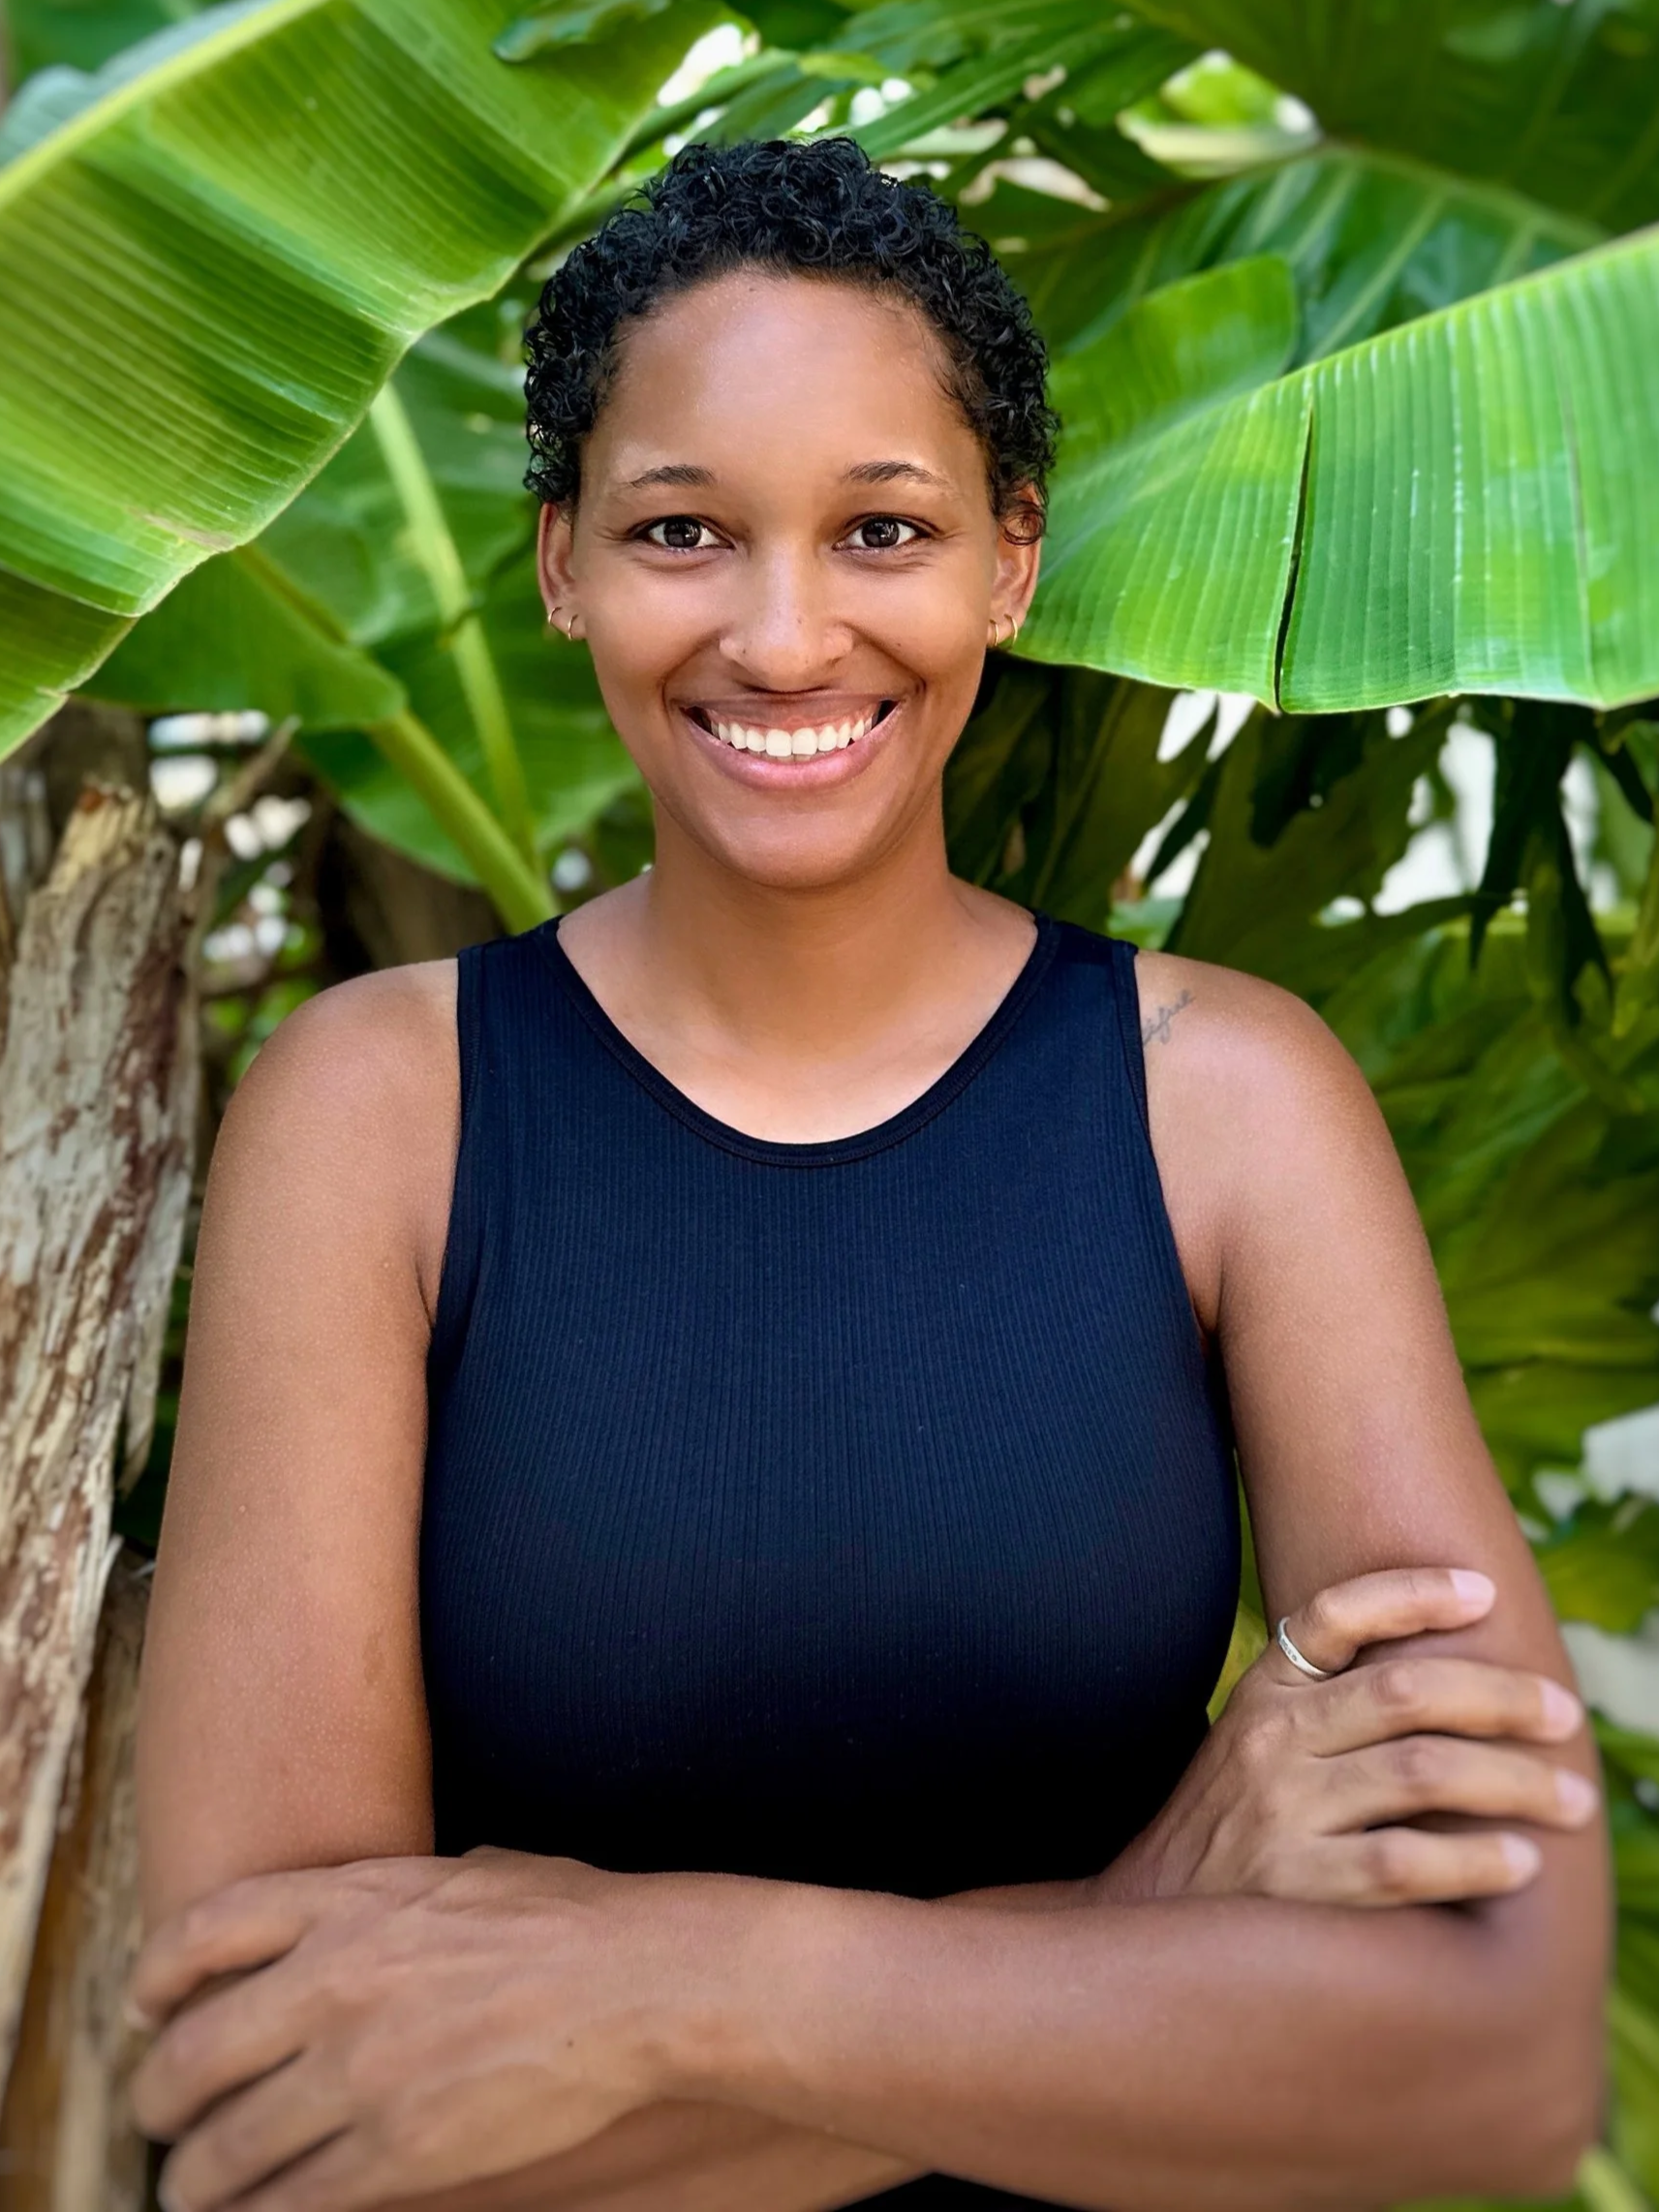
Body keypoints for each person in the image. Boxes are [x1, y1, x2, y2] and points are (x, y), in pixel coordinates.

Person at [130, 138, 1607, 2212]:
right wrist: (1144, 1907)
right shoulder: (380, 1113)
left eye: (883, 528)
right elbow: (267, 2109)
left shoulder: (1224, 1104)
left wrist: (672, 1991)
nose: (784, 632)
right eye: (681, 529)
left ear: (1008, 560)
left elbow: (1495, 2052)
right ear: (561, 564)